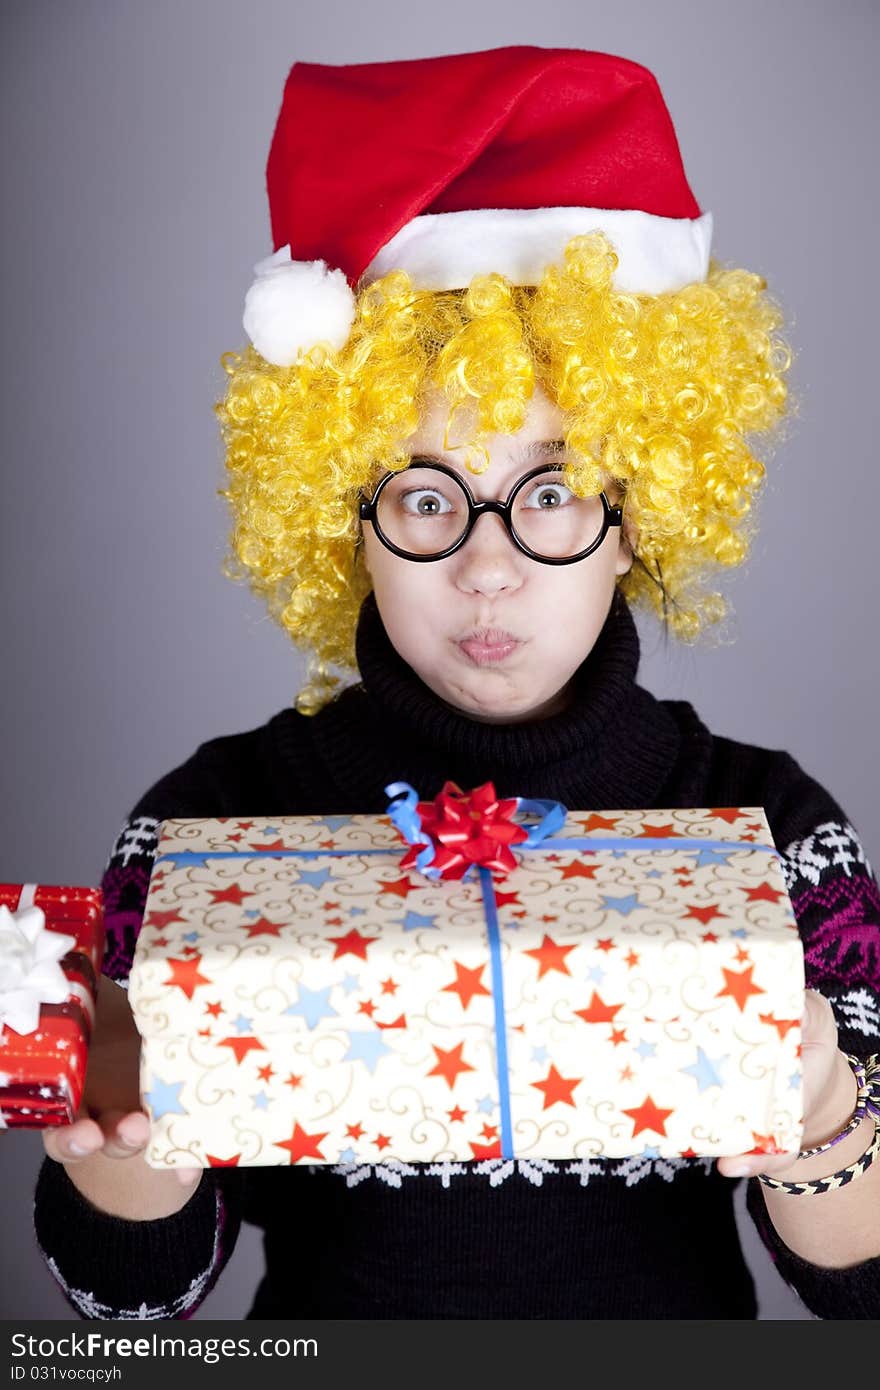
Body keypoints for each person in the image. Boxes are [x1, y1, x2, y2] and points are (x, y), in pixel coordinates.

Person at [32, 46, 880, 1320]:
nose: (487, 566)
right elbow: (129, 1301)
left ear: (638, 513)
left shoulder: (765, 827)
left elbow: (863, 1291)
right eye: (426, 497)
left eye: (550, 494)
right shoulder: (215, 825)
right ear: (341, 516)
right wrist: (126, 1125)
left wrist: (822, 1118)